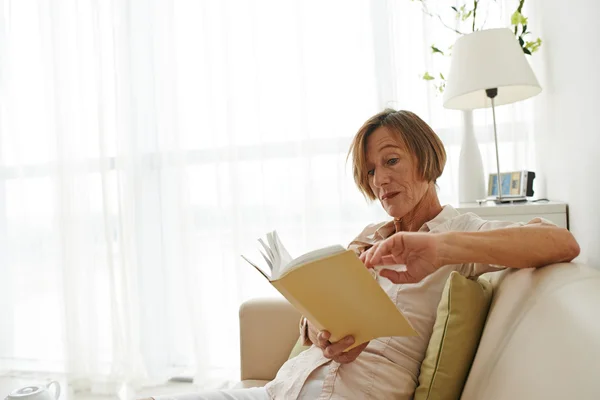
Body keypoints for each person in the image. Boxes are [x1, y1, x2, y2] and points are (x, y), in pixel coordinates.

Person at [150, 109, 579, 400]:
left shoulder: (461, 233)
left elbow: (560, 242)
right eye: (371, 171)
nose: (380, 180)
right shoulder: (369, 237)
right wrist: (320, 331)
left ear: (427, 161)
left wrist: (440, 248)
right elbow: (316, 314)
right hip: (283, 389)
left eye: (391, 161)